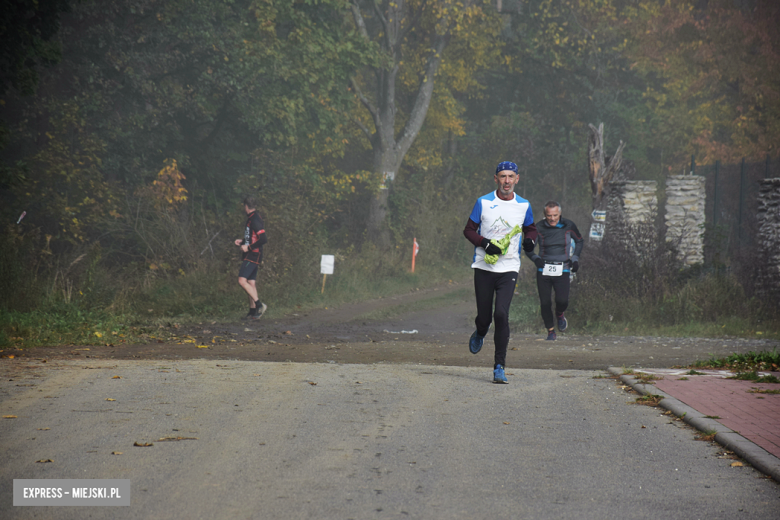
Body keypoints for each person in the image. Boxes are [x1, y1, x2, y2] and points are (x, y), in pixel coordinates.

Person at [463, 161, 538, 384]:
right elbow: (468, 230)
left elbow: (530, 228)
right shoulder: (483, 202)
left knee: (502, 314)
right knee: (485, 317)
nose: (507, 181)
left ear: (517, 179)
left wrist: (530, 241)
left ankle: (499, 367)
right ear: (496, 178)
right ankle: (480, 332)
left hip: (509, 268)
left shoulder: (523, 205)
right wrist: (485, 244)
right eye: (502, 176)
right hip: (484, 267)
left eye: (511, 177)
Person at [524, 201, 583, 340]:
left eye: (555, 215)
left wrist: (574, 259)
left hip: (563, 268)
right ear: (545, 214)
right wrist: (535, 258)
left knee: (562, 300)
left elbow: (579, 241)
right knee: (545, 302)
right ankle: (551, 331)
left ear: (560, 214)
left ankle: (560, 314)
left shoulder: (569, 225)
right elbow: (528, 248)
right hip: (543, 269)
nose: (552, 218)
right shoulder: (538, 227)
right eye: (549, 215)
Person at [234, 196, 268, 320]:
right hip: (252, 253)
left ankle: (260, 305)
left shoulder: (254, 219)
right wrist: (243, 241)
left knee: (241, 281)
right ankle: (253, 312)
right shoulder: (252, 218)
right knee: (250, 282)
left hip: (253, 254)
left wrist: (248, 248)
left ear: (246, 206)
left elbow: (263, 239)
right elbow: (252, 237)